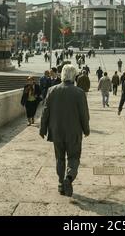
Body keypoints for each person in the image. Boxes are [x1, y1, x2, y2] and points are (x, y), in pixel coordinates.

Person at [40, 65, 90, 197]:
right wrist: (86, 129)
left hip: (56, 131)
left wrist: (42, 128)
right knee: (74, 157)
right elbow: (84, 114)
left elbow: (45, 111)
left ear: (62, 75)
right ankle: (69, 177)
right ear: (74, 76)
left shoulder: (52, 90)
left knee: (59, 158)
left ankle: (61, 184)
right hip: (74, 132)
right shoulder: (79, 93)